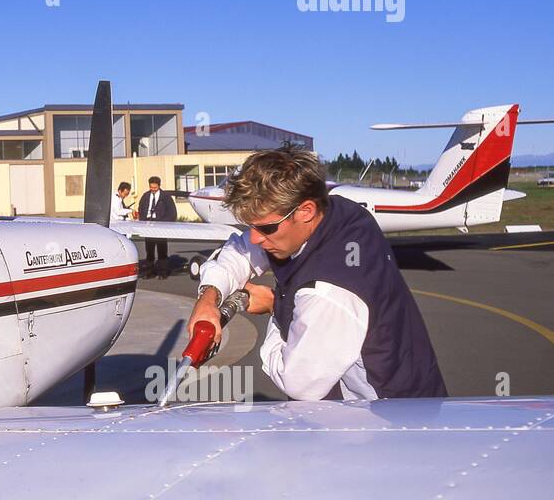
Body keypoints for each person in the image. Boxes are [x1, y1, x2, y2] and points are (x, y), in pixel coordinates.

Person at [188, 145, 446, 400]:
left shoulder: (328, 293)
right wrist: (208, 299)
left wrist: (276, 308)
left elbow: (299, 384)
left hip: (390, 416)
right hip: (410, 383)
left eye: (265, 229)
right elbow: (241, 250)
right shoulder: (341, 212)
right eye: (250, 226)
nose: (255, 238)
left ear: (306, 211)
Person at [139, 176, 176, 278]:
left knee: (162, 250)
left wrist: (165, 224)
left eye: (155, 188)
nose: (153, 190)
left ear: (159, 186)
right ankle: (149, 271)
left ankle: (163, 272)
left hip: (160, 225)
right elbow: (141, 208)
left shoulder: (166, 197)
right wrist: (143, 221)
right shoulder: (146, 196)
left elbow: (171, 212)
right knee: (149, 250)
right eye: (151, 187)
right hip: (148, 225)